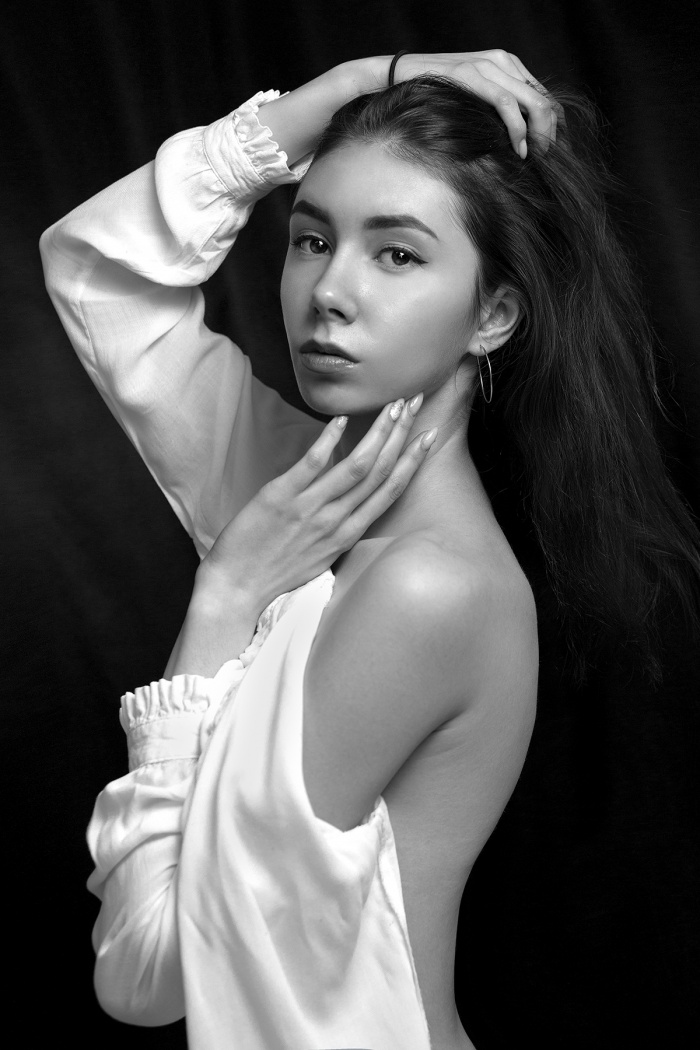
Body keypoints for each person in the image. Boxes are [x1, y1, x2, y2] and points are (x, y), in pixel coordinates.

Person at [40, 50, 700, 1050]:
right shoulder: (300, 497)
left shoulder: (423, 589)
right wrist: (347, 88)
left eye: (396, 254)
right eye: (313, 239)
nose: (329, 292)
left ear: (492, 314)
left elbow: (149, 972)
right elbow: (96, 271)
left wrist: (224, 598)